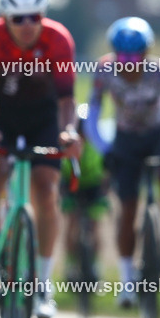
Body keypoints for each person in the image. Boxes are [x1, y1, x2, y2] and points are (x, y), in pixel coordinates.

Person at [0, 0, 82, 318]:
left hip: (41, 119)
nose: (28, 25)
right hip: (0, 115)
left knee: (46, 192)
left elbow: (66, 98)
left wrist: (68, 131)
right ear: (5, 17)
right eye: (18, 18)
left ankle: (43, 285)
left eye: (35, 16)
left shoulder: (58, 39)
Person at [84, 17, 160, 307]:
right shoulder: (104, 70)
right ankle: (127, 282)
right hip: (126, 137)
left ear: (147, 52)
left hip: (159, 132)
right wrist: (104, 149)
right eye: (122, 57)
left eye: (135, 57)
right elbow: (93, 115)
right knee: (127, 209)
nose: (128, 63)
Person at [60, 104, 110, 290]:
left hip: (93, 186)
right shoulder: (70, 146)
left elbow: (106, 170)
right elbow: (61, 171)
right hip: (71, 186)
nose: (84, 134)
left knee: (95, 226)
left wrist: (105, 188)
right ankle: (70, 264)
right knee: (72, 223)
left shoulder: (99, 145)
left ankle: (95, 266)